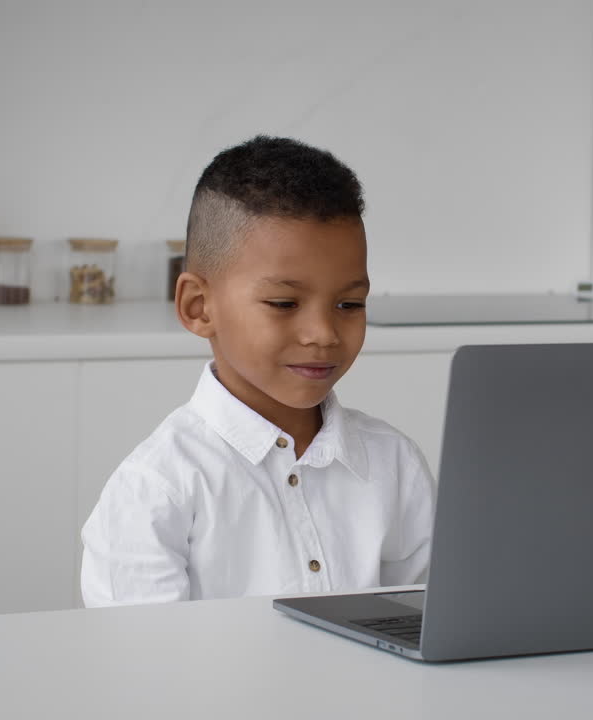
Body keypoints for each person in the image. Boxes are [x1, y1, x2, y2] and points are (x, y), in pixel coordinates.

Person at [80, 136, 435, 606]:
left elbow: (426, 624)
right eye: (284, 303)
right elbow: (146, 669)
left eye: (349, 303)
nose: (323, 333)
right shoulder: (155, 490)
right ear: (198, 307)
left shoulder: (395, 465)